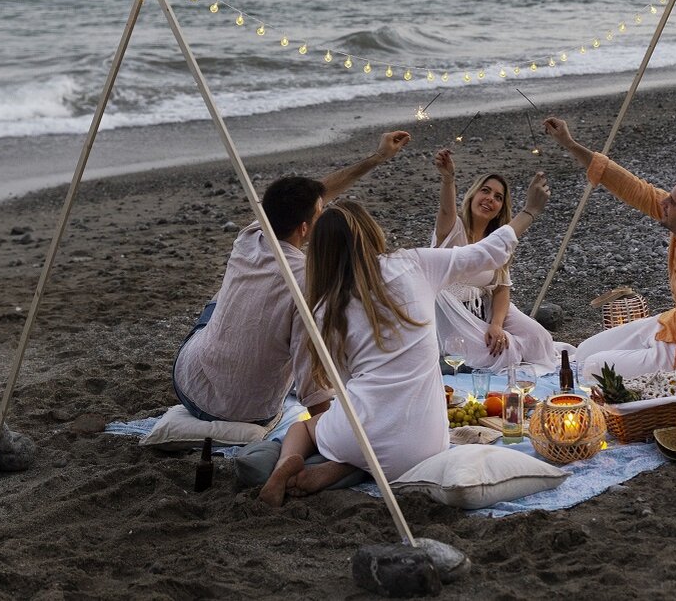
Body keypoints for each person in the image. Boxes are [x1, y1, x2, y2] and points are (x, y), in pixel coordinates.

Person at [258, 173, 551, 506]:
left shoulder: (325, 307)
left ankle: (287, 465)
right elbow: (488, 253)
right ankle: (341, 467)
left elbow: (345, 382)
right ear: (371, 232)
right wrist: (528, 211)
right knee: (380, 444)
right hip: (424, 446)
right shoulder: (414, 263)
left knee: (304, 428)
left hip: (358, 434)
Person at [171, 131, 411, 425]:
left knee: (220, 300)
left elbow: (319, 193)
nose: (323, 211)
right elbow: (311, 376)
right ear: (304, 228)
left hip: (188, 382)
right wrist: (333, 431)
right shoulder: (309, 283)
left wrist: (378, 157)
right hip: (243, 412)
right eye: (320, 213)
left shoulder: (249, 237)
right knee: (279, 324)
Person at [543, 117, 676, 425]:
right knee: (583, 352)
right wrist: (571, 145)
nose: (663, 201)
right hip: (675, 324)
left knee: (593, 368)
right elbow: (635, 189)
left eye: (672, 202)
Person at [430, 148, 560, 375]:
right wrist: (448, 178)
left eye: (498, 197)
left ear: (500, 208)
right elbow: (446, 209)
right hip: (451, 313)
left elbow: (501, 287)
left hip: (486, 306)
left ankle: (512, 347)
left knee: (540, 338)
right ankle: (509, 354)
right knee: (500, 353)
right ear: (473, 196)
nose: (490, 198)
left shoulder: (497, 239)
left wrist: (497, 325)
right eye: (485, 191)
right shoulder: (453, 228)